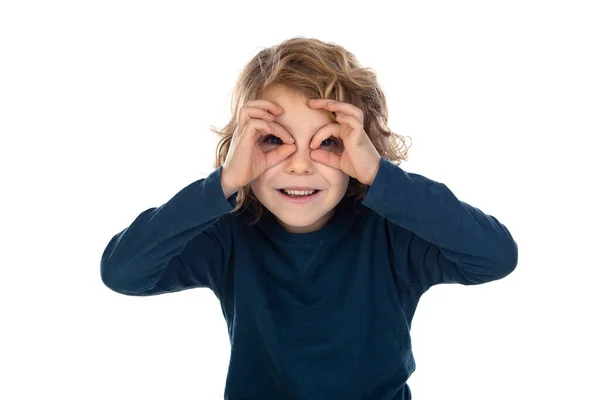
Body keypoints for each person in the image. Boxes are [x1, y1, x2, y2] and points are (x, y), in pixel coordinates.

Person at [100, 36, 518, 399]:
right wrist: (224, 182)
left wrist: (380, 178)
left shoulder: (393, 233)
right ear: (242, 148)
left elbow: (495, 256)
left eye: (328, 142)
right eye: (273, 141)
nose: (299, 166)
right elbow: (124, 271)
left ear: (362, 154)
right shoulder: (228, 234)